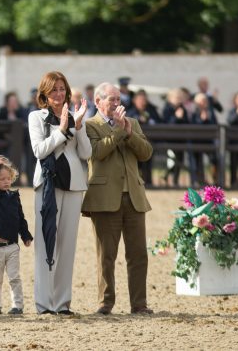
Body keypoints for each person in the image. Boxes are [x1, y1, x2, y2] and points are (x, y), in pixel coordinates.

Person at [81, 82, 153, 315]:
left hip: (133, 197)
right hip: (104, 198)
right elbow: (97, 152)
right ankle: (106, 302)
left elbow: (146, 153)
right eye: (111, 99)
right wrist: (119, 131)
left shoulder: (132, 123)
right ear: (98, 102)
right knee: (106, 255)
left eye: (118, 99)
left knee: (138, 254)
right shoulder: (89, 125)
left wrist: (129, 132)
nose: (116, 103)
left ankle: (139, 304)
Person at [29, 71, 91, 315]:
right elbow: (39, 150)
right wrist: (62, 130)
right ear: (45, 93)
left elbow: (85, 153)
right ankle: (44, 304)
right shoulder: (36, 117)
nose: (59, 94)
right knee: (45, 244)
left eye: (62, 89)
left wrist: (80, 125)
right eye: (53, 90)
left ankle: (63, 303)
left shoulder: (75, 117)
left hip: (74, 185)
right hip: (46, 185)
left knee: (67, 245)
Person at [0, 156, 33, 315]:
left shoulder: (14, 197)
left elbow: (20, 218)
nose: (6, 181)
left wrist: (25, 235)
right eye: (2, 179)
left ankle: (17, 306)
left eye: (9, 178)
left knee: (15, 278)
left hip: (12, 247)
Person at [127, 89, 162, 187]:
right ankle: (136, 182)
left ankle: (148, 182)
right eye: (140, 100)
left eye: (144, 100)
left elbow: (159, 121)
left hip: (150, 142)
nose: (142, 102)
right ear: (135, 100)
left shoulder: (151, 110)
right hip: (134, 143)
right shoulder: (130, 111)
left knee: (148, 155)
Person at [0, 91, 28, 156]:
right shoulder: (2, 112)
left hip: (19, 143)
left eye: (15, 101)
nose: (13, 103)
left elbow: (24, 125)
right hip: (4, 143)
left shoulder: (20, 112)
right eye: (11, 101)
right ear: (7, 102)